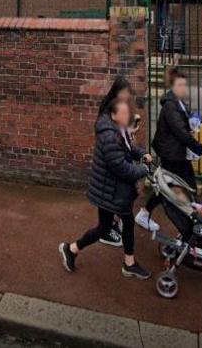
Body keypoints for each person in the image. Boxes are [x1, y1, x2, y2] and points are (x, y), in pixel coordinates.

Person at [59, 99, 153, 279]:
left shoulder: (118, 130)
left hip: (113, 190)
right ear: (113, 114)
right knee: (116, 225)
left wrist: (142, 154)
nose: (128, 116)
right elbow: (121, 167)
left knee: (109, 226)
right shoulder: (110, 136)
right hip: (111, 192)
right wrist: (143, 169)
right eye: (124, 113)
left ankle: (73, 249)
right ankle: (127, 263)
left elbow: (129, 149)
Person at [136, 69, 202, 232]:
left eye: (184, 85)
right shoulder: (170, 106)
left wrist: (191, 126)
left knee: (169, 185)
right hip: (171, 154)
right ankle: (198, 220)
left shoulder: (179, 103)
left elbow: (183, 126)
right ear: (172, 87)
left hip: (176, 152)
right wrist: (200, 149)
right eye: (179, 85)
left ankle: (146, 213)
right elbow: (179, 132)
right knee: (183, 184)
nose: (183, 88)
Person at [94, 77, 139, 247]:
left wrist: (128, 130)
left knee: (119, 198)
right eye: (124, 92)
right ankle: (76, 247)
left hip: (115, 160)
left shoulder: (120, 108)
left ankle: (112, 224)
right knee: (111, 198)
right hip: (110, 163)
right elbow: (112, 134)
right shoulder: (108, 112)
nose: (126, 96)